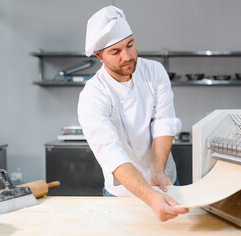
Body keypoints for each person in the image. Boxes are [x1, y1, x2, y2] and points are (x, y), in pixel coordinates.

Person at [77, 6, 189, 222]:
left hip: (164, 182)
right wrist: (149, 196)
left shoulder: (154, 72)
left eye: (130, 45)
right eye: (116, 52)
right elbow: (110, 152)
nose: (127, 56)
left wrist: (157, 170)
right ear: (99, 55)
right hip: (121, 193)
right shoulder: (93, 95)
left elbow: (164, 123)